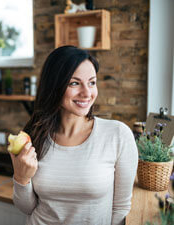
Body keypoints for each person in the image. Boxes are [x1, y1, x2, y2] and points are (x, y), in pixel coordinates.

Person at [9, 46, 138, 225]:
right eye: (74, 83)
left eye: (92, 82)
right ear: (55, 86)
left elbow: (120, 209)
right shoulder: (35, 136)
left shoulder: (118, 135)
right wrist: (21, 178)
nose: (87, 93)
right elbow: (27, 208)